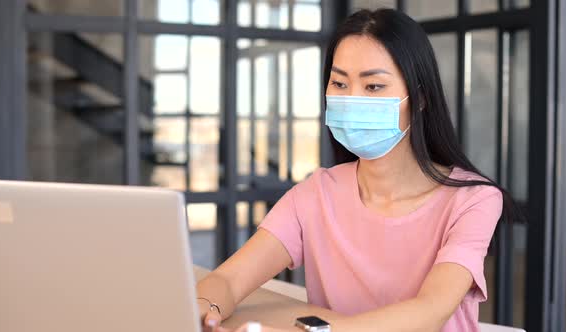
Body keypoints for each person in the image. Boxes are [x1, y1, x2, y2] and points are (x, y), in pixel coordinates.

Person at [196, 8, 521, 332]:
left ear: (419, 98)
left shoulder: (473, 199)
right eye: (339, 82)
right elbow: (227, 279)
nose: (351, 99)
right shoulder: (315, 194)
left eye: (373, 86)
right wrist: (204, 308)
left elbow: (430, 312)